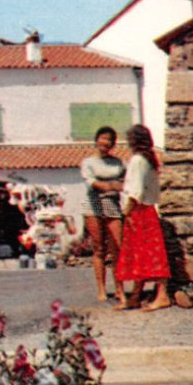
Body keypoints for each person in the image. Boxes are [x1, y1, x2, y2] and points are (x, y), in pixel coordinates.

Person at [116, 124, 172, 311]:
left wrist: (127, 212)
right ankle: (136, 296)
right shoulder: (150, 160)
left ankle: (161, 296)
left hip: (138, 210)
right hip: (148, 209)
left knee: (146, 252)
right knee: (144, 252)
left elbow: (135, 190)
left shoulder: (137, 160)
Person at [77, 126, 126, 303]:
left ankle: (120, 288)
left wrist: (112, 186)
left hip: (112, 204)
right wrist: (111, 185)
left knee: (117, 248)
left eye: (109, 140)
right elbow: (94, 183)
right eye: (103, 138)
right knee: (99, 248)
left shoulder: (118, 162)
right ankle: (101, 289)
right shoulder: (87, 162)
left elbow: (125, 183)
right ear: (97, 140)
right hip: (93, 204)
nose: (105, 142)